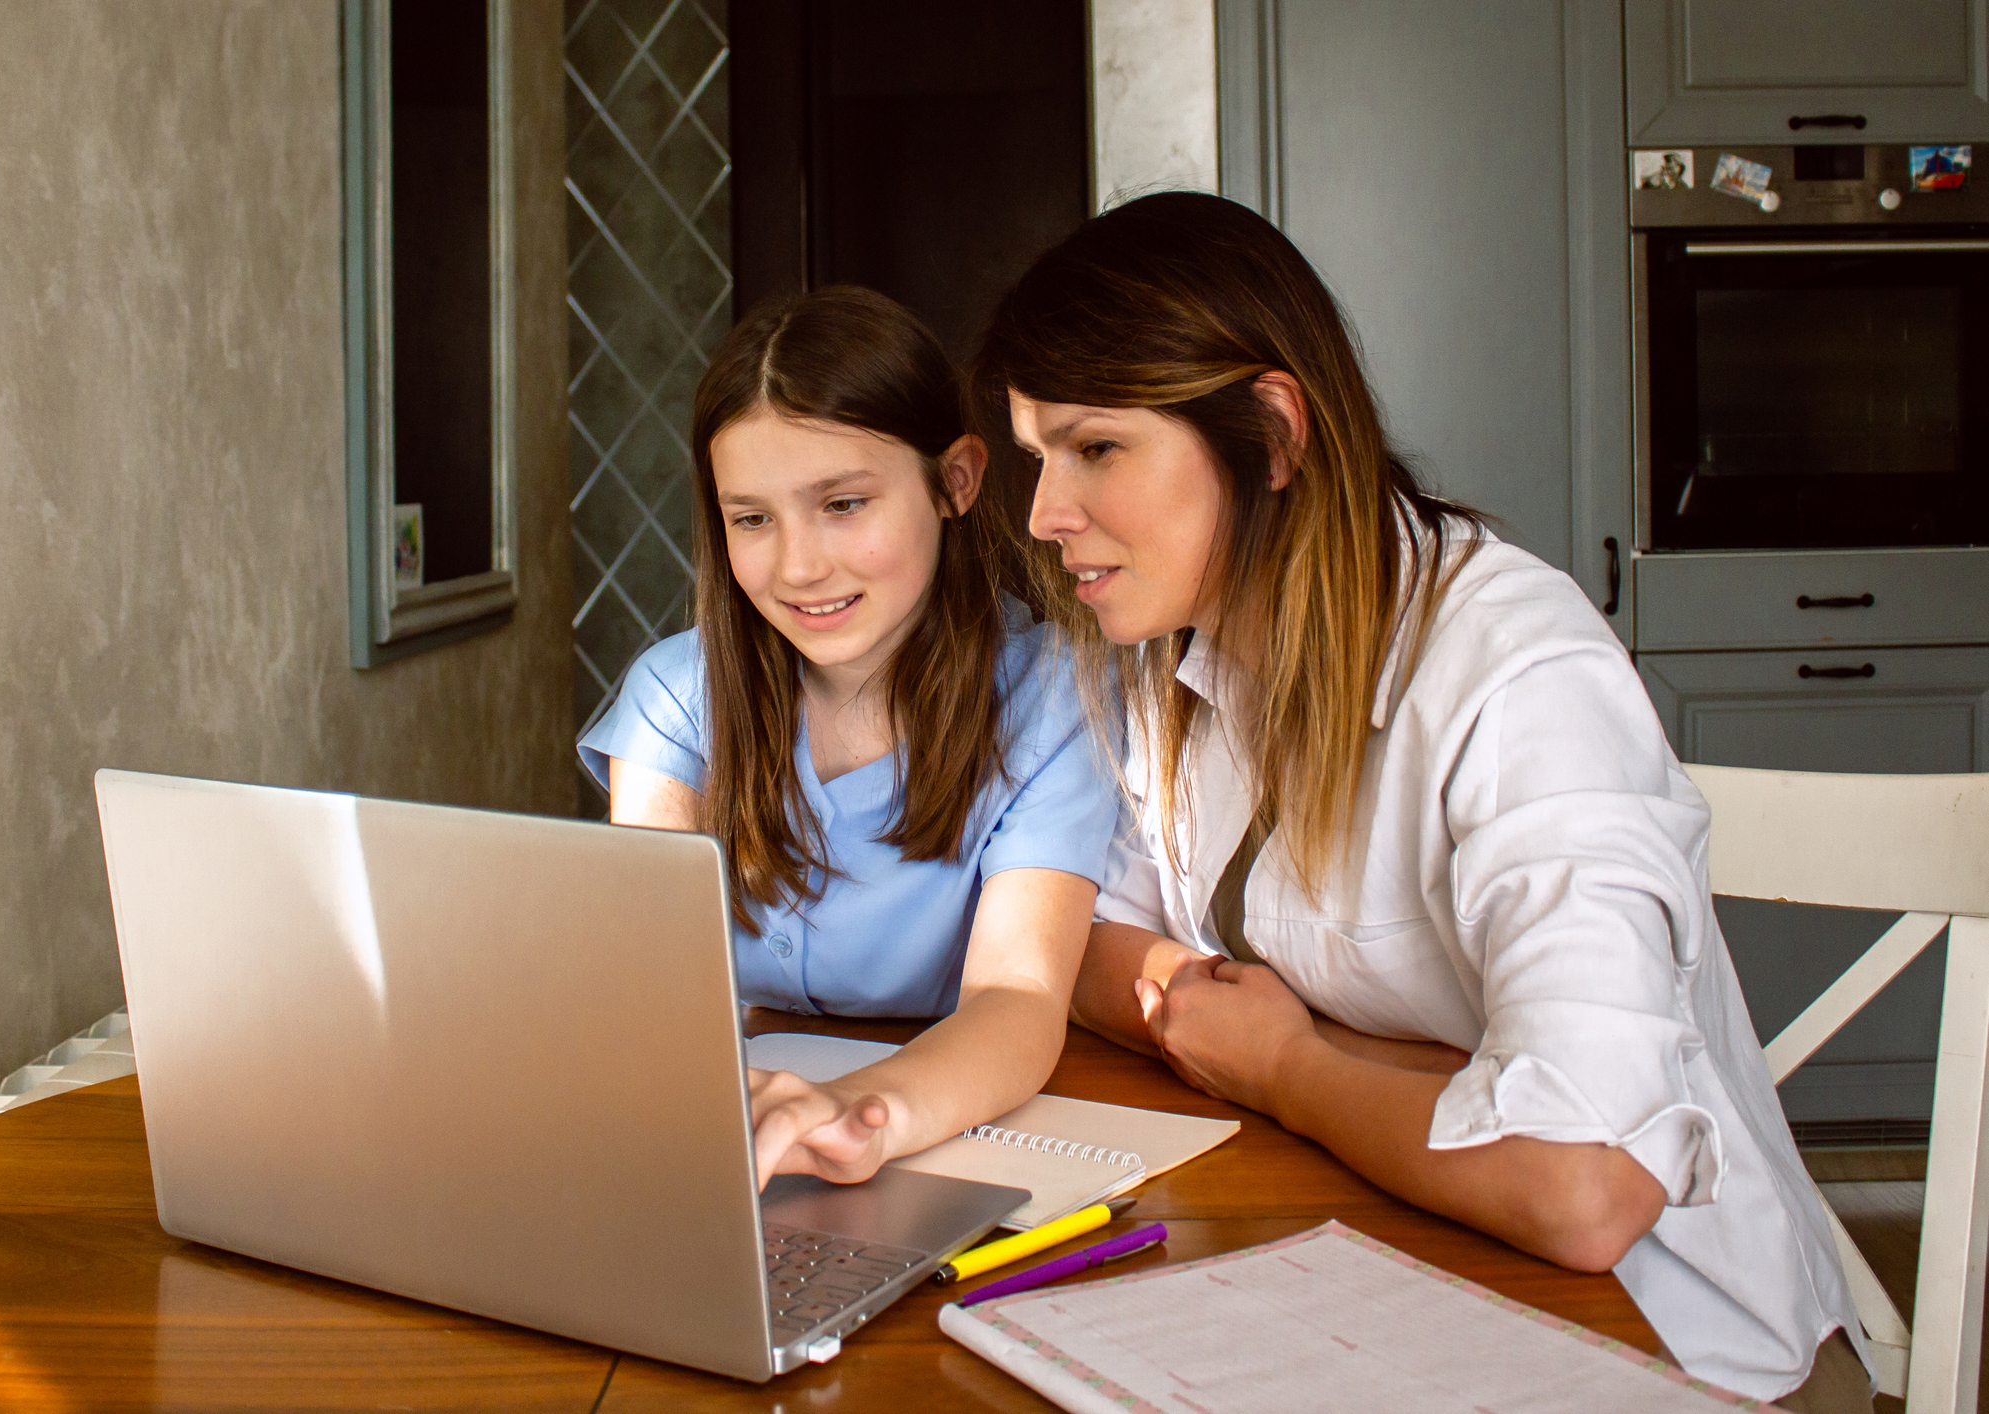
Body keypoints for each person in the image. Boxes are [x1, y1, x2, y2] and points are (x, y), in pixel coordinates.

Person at [969, 192, 1870, 1412]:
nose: (1044, 515)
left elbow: (1582, 1185)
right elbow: (1076, 937)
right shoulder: (1159, 654)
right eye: (1037, 457)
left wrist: (1291, 1059)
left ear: (1272, 433)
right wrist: (1398, 1068)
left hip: (1677, 1350)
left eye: (1097, 449)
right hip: (1390, 1276)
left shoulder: (1518, 671)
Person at [580, 286, 1116, 1194]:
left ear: (955, 480)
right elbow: (653, 993)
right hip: (729, 1142)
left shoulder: (1057, 697)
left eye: (842, 504)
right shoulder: (676, 696)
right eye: (752, 518)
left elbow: (1016, 1000)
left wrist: (858, 1116)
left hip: (942, 1133)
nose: (797, 566)